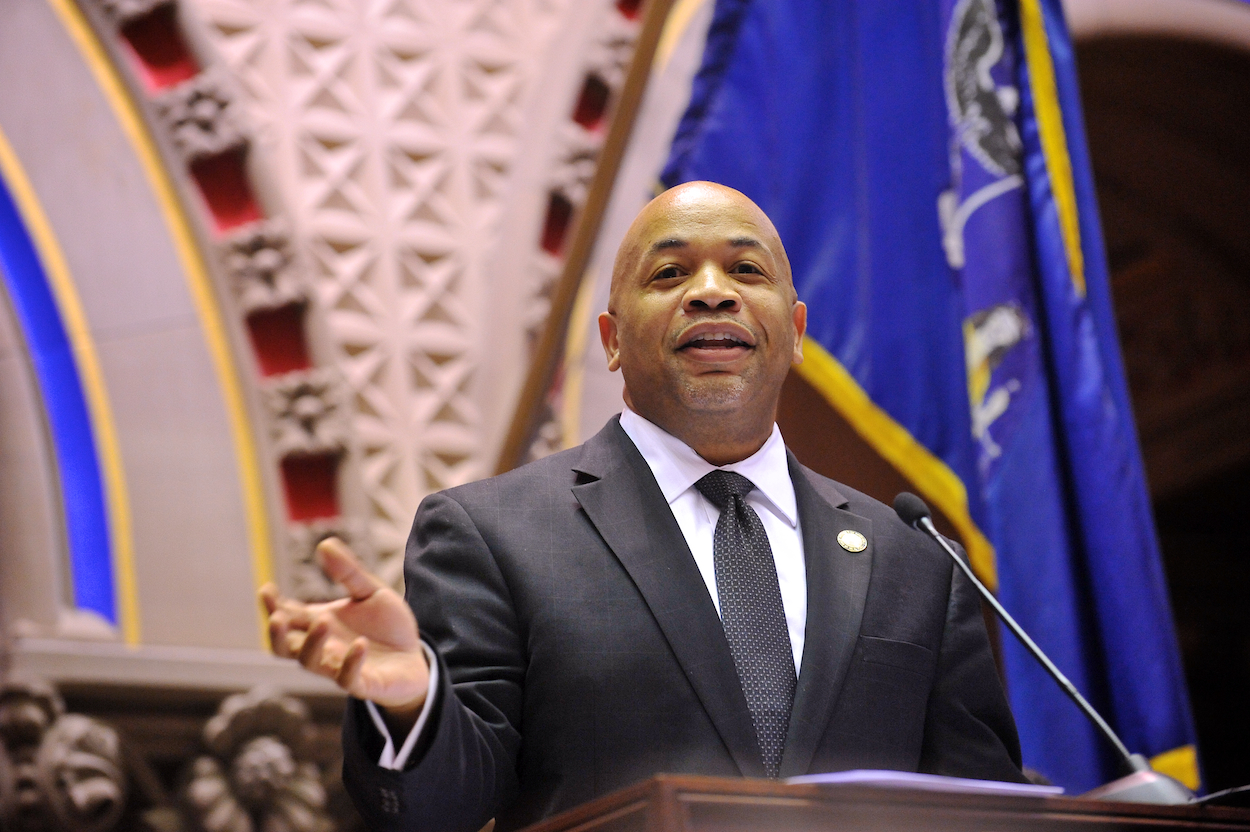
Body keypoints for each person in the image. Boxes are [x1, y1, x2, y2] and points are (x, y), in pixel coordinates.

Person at [262, 182, 1025, 832]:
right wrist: (416, 709)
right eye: (669, 273)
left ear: (794, 334)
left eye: (745, 268)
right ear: (613, 340)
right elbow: (442, 810)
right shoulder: (492, 535)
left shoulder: (914, 557)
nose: (712, 290)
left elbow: (984, 805)